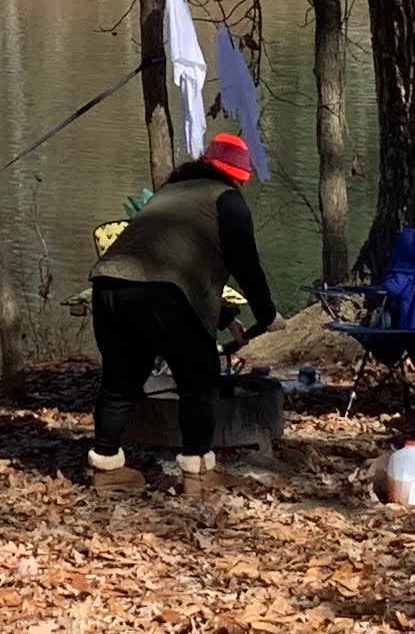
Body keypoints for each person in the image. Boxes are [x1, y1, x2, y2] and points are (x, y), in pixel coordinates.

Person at [90, 131, 276, 480]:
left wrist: (226, 318)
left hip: (109, 286)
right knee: (199, 382)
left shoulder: (169, 193)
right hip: (167, 296)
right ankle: (196, 471)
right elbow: (245, 265)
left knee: (119, 381)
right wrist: (267, 314)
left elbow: (172, 255)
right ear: (238, 178)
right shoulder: (228, 200)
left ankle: (106, 466)